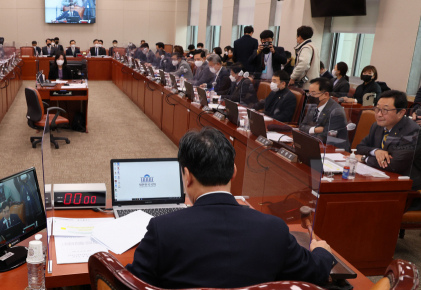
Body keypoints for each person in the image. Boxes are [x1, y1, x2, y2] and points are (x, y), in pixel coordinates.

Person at [126, 127, 336, 289]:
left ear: (187, 176)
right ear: (234, 172)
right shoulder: (274, 229)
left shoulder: (163, 229)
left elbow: (130, 283)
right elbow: (314, 273)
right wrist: (321, 252)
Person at [357, 90, 421, 199]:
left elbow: (395, 164)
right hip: (380, 178)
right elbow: (360, 147)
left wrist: (364, 158)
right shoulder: (377, 126)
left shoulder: (413, 131)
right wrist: (376, 151)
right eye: (377, 109)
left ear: (401, 113)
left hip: (406, 189)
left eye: (385, 110)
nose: (379, 114)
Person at [298, 78, 347, 143]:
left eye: (313, 93)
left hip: (333, 148)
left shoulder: (336, 112)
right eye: (309, 93)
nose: (310, 96)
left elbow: (324, 136)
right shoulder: (313, 106)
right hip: (314, 142)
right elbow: (302, 126)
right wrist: (315, 130)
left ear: (326, 95)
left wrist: (307, 134)